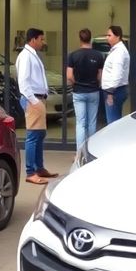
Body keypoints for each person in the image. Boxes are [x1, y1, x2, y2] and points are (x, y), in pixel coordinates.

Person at [15, 28, 56, 185]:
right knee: (33, 136)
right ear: (33, 39)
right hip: (33, 100)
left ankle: (39, 168)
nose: (43, 42)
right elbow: (24, 82)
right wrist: (34, 101)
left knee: (39, 135)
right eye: (41, 39)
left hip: (38, 99)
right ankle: (31, 172)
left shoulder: (33, 55)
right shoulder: (26, 56)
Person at [66, 28, 104, 150]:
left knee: (81, 123)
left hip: (78, 92)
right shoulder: (98, 55)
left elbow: (69, 76)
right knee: (92, 123)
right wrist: (95, 83)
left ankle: (79, 153)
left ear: (80, 39)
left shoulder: (73, 55)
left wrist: (76, 83)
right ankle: (91, 151)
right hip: (93, 91)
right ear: (90, 39)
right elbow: (99, 76)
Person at [100, 25, 130, 125]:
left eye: (109, 35)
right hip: (115, 91)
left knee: (112, 123)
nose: (107, 37)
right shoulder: (116, 50)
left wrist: (110, 93)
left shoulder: (119, 52)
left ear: (117, 36)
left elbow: (117, 74)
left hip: (114, 91)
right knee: (115, 121)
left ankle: (114, 140)